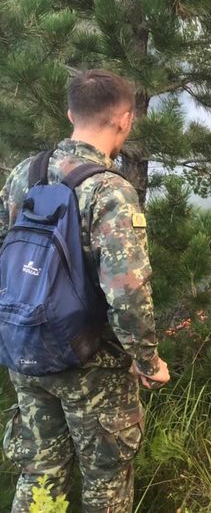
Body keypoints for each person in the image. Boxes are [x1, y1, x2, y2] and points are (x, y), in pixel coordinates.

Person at [0, 69, 170, 512]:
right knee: (105, 480)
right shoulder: (109, 191)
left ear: (70, 112)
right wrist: (146, 359)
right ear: (126, 120)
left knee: (40, 475)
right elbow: (128, 293)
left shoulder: (25, 173)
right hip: (90, 363)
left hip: (26, 352)